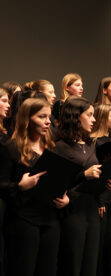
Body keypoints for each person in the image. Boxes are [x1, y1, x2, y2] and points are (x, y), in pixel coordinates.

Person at [0, 98, 67, 276]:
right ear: (27, 119)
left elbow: (58, 181)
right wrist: (20, 186)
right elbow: (2, 185)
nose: (48, 122)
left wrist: (65, 197)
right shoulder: (11, 148)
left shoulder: (51, 148)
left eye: (49, 117)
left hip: (50, 219)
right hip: (24, 219)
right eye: (42, 117)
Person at [55, 96, 111, 276]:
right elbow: (57, 182)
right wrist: (84, 175)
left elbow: (94, 180)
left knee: (91, 264)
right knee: (72, 264)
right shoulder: (60, 147)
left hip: (91, 208)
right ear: (76, 117)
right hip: (72, 210)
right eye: (89, 115)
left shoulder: (91, 144)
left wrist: (107, 185)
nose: (93, 119)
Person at [90, 104, 111, 276]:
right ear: (103, 118)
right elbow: (99, 173)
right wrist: (101, 200)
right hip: (103, 201)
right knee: (103, 246)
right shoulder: (96, 142)